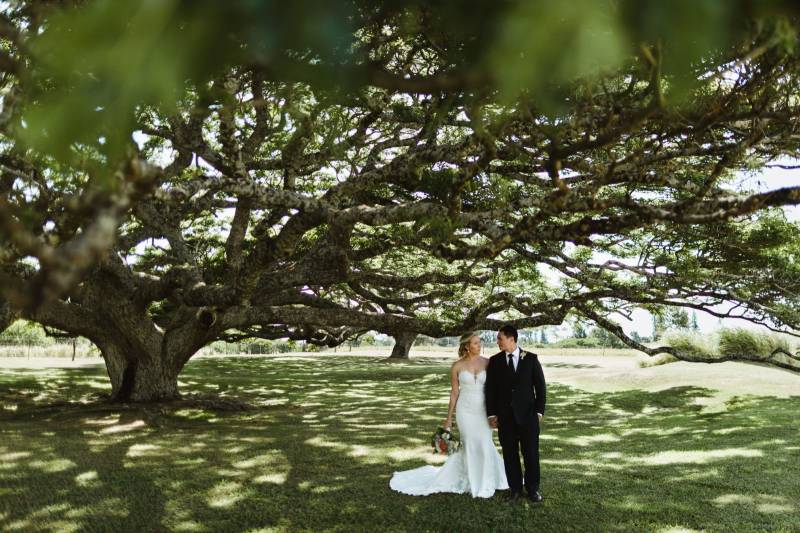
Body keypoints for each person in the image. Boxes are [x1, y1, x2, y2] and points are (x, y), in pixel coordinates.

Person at [389, 332, 508, 498]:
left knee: (484, 442)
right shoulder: (457, 366)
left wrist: (497, 412)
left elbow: (496, 389)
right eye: (475, 343)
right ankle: (470, 479)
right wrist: (449, 418)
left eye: (479, 343)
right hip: (465, 411)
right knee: (469, 443)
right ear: (467, 346)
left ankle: (487, 478)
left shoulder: (489, 363)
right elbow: (454, 393)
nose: (479, 346)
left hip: (484, 410)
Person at [485, 324, 546, 504]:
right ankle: (515, 490)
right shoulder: (495, 361)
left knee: (531, 455)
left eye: (500, 338)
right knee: (510, 456)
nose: (497, 342)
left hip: (528, 417)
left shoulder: (531, 359)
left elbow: (540, 388)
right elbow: (491, 391)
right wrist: (491, 414)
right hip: (505, 418)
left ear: (511, 339)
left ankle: (533, 490)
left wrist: (539, 412)